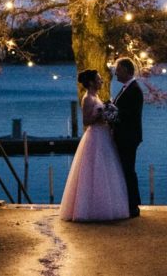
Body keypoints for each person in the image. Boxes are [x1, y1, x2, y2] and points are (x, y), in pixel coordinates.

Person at [59, 69, 129, 222]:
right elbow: (86, 121)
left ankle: (104, 206)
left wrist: (107, 114)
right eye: (98, 79)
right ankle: (88, 209)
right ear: (91, 82)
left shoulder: (96, 96)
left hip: (103, 134)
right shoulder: (87, 99)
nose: (101, 81)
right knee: (93, 171)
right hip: (95, 136)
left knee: (106, 171)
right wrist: (100, 114)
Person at [111, 57, 144, 218]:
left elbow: (129, 115)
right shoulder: (127, 88)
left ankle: (133, 205)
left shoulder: (134, 90)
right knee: (125, 170)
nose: (115, 73)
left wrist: (112, 115)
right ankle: (128, 204)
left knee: (128, 170)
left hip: (128, 137)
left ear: (125, 70)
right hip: (124, 136)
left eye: (117, 70)